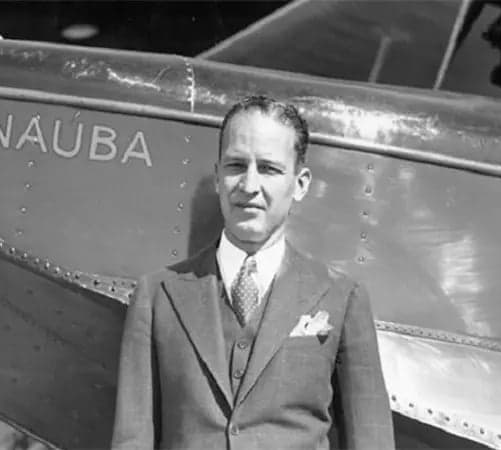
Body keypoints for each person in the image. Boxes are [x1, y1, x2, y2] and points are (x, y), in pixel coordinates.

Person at [111, 96, 394, 450]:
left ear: (300, 183)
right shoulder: (156, 297)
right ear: (217, 176)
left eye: (269, 169)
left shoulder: (342, 298)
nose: (248, 185)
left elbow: (371, 441)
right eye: (236, 166)